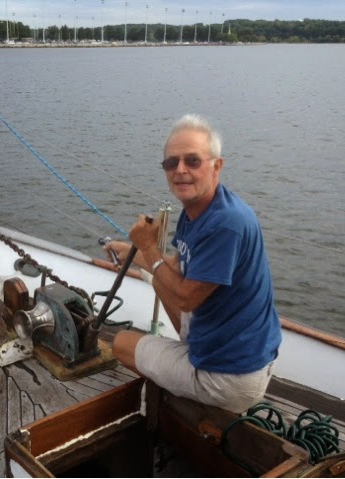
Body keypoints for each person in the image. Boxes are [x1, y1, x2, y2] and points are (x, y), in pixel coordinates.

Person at [107, 114, 281, 414]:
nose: (180, 170)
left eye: (192, 161)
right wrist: (135, 255)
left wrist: (148, 247)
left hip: (229, 377)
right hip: (229, 349)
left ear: (217, 165)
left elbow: (186, 298)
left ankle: (180, 403)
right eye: (171, 162)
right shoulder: (200, 209)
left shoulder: (227, 224)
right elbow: (178, 268)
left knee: (121, 343)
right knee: (157, 279)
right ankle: (181, 374)